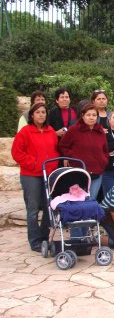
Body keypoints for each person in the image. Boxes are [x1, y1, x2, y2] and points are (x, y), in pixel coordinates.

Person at [11, 102, 60, 251]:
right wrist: (34, 164)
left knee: (48, 207)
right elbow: (17, 153)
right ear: (32, 115)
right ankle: (34, 240)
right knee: (32, 209)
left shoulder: (50, 131)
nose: (41, 115)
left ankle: (44, 237)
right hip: (31, 174)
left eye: (43, 112)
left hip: (47, 175)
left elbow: (55, 150)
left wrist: (53, 166)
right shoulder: (25, 132)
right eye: (38, 112)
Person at [58, 103, 109, 201]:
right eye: (88, 115)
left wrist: (103, 161)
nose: (91, 118)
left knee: (91, 199)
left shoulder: (100, 131)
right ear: (83, 116)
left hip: (97, 172)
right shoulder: (74, 129)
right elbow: (63, 145)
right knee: (79, 200)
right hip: (79, 172)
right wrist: (72, 156)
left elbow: (105, 150)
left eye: (94, 115)